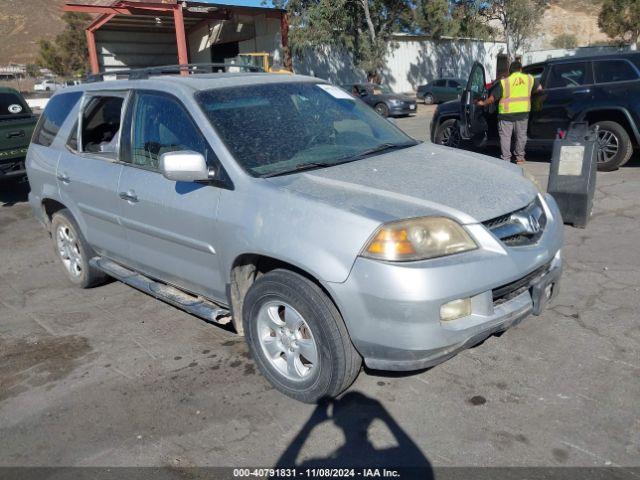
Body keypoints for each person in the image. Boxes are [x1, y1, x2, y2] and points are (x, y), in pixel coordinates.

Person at [477, 61, 540, 164]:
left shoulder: (505, 82)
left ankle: (506, 160)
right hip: (523, 113)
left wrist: (483, 103)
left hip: (506, 115)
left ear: (510, 71)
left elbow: (492, 98)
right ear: (520, 69)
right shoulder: (529, 79)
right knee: (521, 136)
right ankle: (520, 158)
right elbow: (539, 88)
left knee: (506, 138)